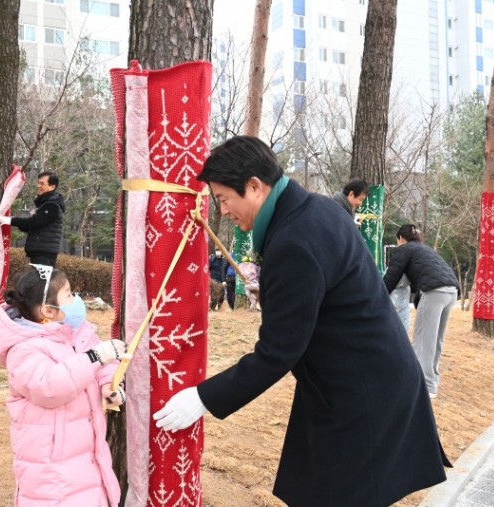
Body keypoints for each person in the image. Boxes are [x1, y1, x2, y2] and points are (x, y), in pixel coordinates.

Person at [152, 136, 449, 506]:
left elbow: (278, 353)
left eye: (224, 198)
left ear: (255, 187)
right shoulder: (313, 209)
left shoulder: (294, 240)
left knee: (337, 496)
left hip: (364, 393)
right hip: (358, 378)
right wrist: (278, 293)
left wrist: (203, 398)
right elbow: (324, 289)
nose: (223, 210)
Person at [0, 265, 129, 506]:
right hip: (49, 459)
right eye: (69, 294)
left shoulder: (76, 333)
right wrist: (96, 356)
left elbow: (101, 365)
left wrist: (109, 385)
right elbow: (49, 387)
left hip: (84, 449)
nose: (76, 299)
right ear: (48, 310)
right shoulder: (25, 348)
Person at [383, 224, 459, 399]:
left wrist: (377, 297)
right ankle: (432, 383)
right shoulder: (425, 250)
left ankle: (423, 387)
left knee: (424, 341)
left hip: (434, 292)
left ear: (401, 239)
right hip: (451, 291)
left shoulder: (404, 249)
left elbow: (391, 277)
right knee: (436, 340)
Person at [0, 171, 65, 266]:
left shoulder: (52, 206)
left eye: (42, 184)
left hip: (44, 254)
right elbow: (33, 226)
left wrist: (11, 220)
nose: (38, 186)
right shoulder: (46, 204)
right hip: (41, 252)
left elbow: (34, 223)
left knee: (40, 280)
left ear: (52, 187)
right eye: (38, 183)